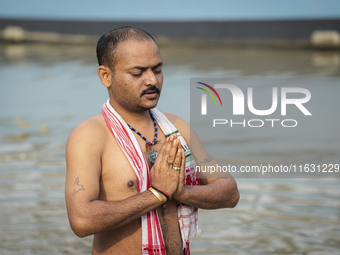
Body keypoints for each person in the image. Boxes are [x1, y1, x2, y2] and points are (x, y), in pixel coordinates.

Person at [65, 26, 239, 255]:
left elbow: (230, 191)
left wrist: (180, 192)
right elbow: (81, 220)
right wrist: (156, 194)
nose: (151, 80)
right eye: (137, 73)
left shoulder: (176, 127)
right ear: (106, 76)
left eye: (157, 70)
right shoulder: (90, 136)